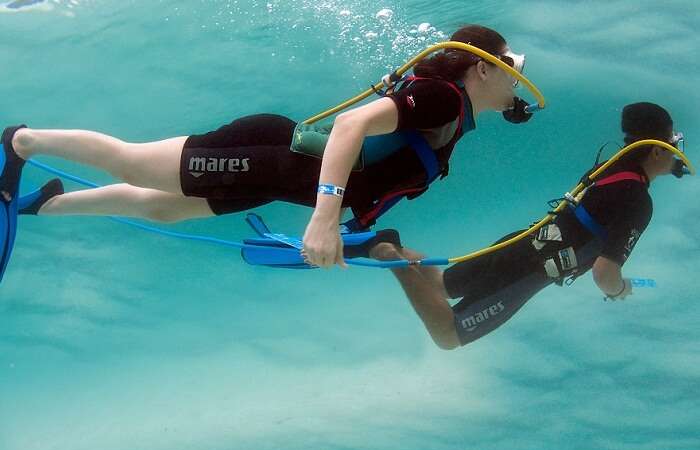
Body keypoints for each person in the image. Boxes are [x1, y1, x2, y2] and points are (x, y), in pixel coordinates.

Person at [0, 24, 533, 275]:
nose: (517, 82)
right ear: (482, 67)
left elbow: (380, 171)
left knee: (162, 207)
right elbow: (350, 127)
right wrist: (326, 219)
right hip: (273, 153)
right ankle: (20, 142)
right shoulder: (441, 98)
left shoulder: (456, 117)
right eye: (513, 68)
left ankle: (47, 203)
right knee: (134, 164)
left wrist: (348, 231)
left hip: (278, 175)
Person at [367, 102, 690, 350]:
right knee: (450, 335)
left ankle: (390, 246)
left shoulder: (610, 168)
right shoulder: (638, 200)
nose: (678, 153)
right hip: (528, 270)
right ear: (657, 149)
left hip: (521, 243)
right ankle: (388, 256)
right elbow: (605, 274)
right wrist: (620, 290)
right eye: (674, 144)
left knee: (440, 285)